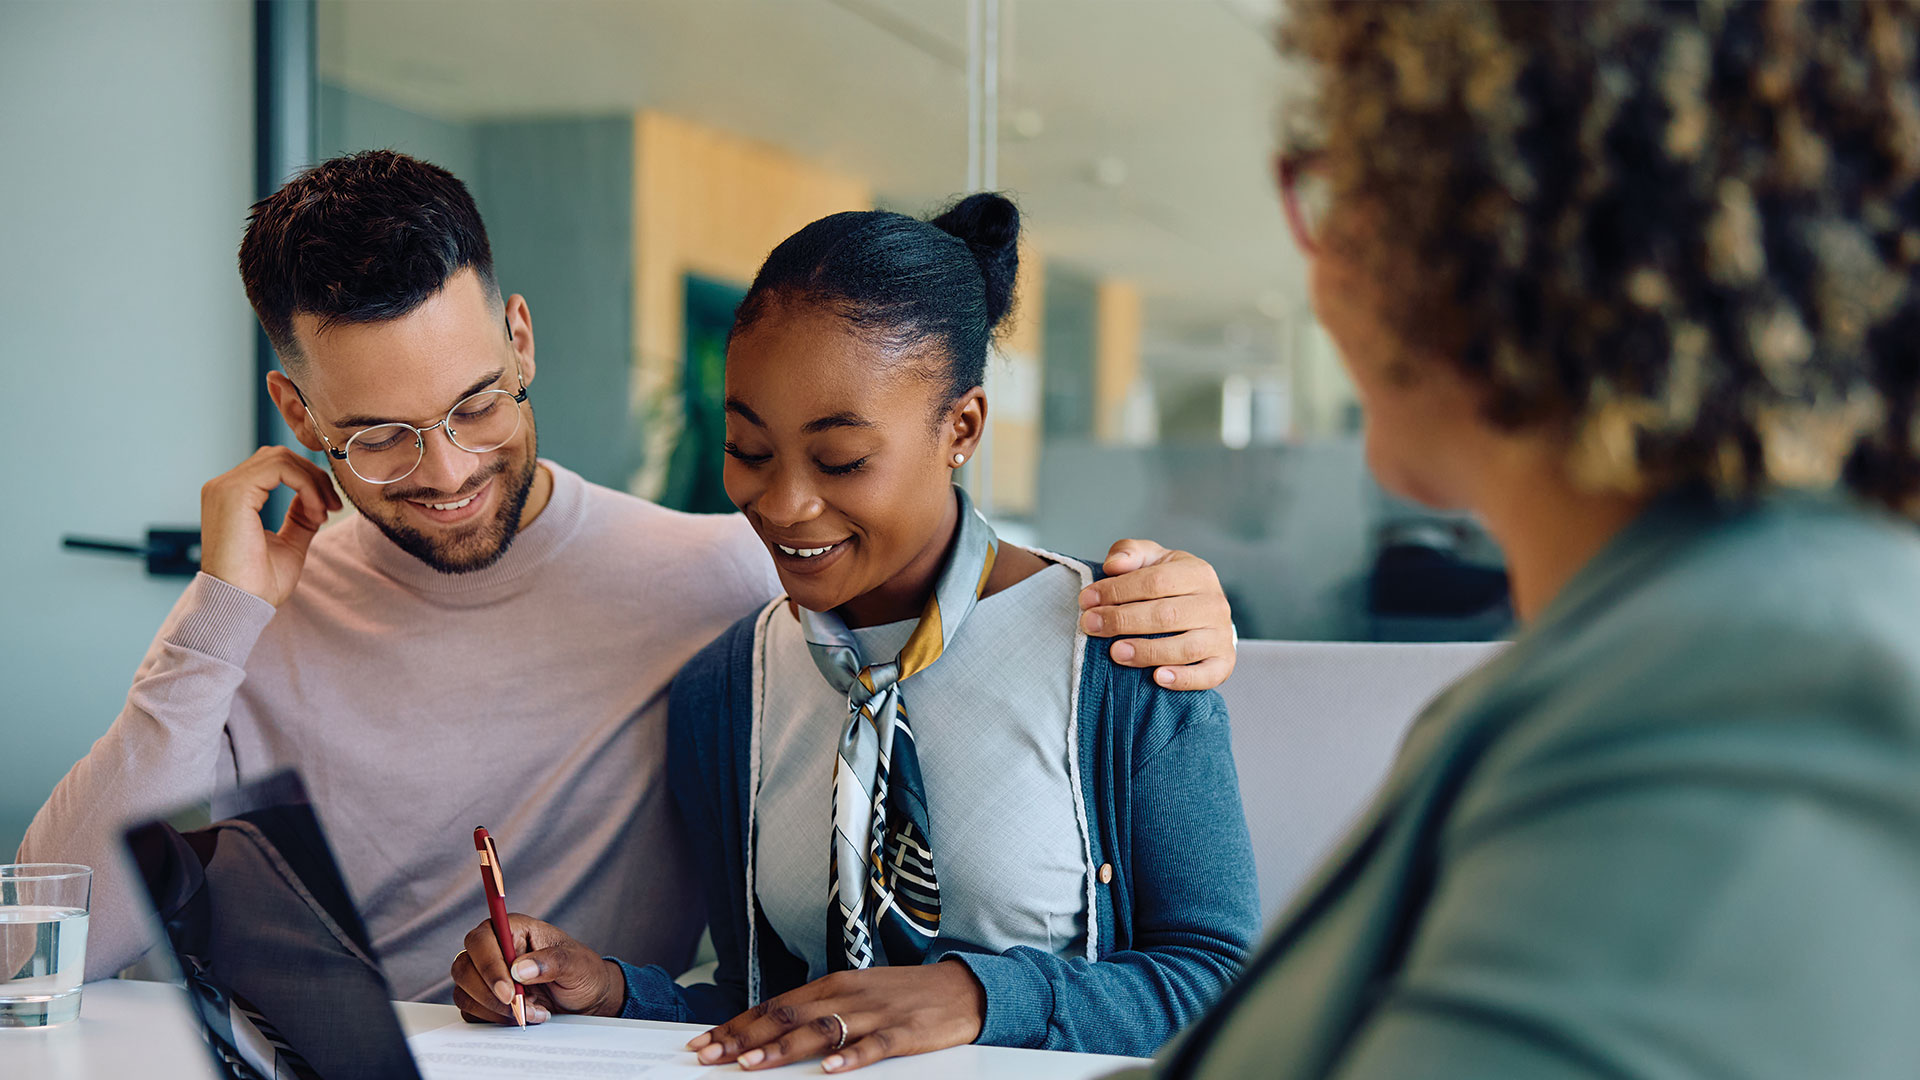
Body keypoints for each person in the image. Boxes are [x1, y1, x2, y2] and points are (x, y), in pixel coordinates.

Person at [17, 151, 1244, 1002]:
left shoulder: (721, 576)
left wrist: (1176, 600)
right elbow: (39, 956)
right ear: (295, 408)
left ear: (523, 341)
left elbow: (926, 555)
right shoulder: (258, 620)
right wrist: (217, 615)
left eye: (476, 404)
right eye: (380, 434)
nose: (445, 470)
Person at [1137, 3, 1920, 1078]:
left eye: (1337, 185)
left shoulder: (1757, 688)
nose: (1319, 263)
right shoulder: (1622, 659)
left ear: (1478, 222)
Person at [449, 195, 1263, 1071]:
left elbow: (1223, 980)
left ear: (962, 428)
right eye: (748, 450)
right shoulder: (729, 690)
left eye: (840, 461)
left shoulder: (1121, 647)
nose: (784, 504)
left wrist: (977, 997)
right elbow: (769, 1006)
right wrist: (608, 991)